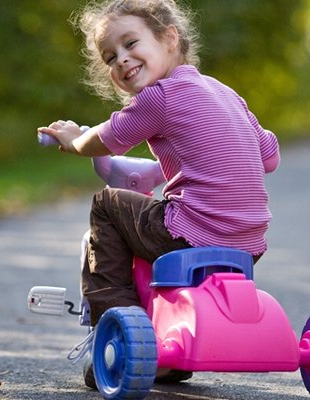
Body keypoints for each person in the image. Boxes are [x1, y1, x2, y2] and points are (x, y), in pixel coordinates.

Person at [38, 0, 280, 331]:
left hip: (192, 234)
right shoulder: (225, 93)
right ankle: (166, 333)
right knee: (148, 214)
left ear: (169, 38)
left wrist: (72, 139)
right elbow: (269, 157)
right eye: (110, 57)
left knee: (107, 205)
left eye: (131, 43)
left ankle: (111, 323)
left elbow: (103, 139)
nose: (121, 58)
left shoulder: (159, 96)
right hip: (249, 244)